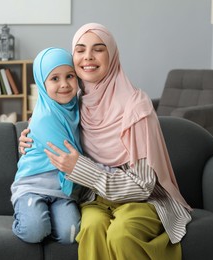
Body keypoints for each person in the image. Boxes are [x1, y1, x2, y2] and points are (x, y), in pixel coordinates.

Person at [19, 23, 192, 259]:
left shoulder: (136, 107)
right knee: (90, 228)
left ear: (111, 55)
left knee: (122, 234)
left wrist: (79, 168)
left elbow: (143, 185)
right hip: (95, 199)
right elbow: (49, 115)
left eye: (98, 49)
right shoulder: (77, 101)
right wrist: (29, 136)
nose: (88, 56)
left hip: (142, 199)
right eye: (80, 50)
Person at [11, 47, 83, 244]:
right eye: (54, 79)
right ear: (42, 84)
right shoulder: (43, 118)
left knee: (70, 234)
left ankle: (45, 218)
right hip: (34, 185)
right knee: (34, 230)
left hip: (61, 191)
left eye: (70, 76)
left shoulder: (78, 108)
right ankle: (27, 215)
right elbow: (71, 156)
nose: (64, 84)